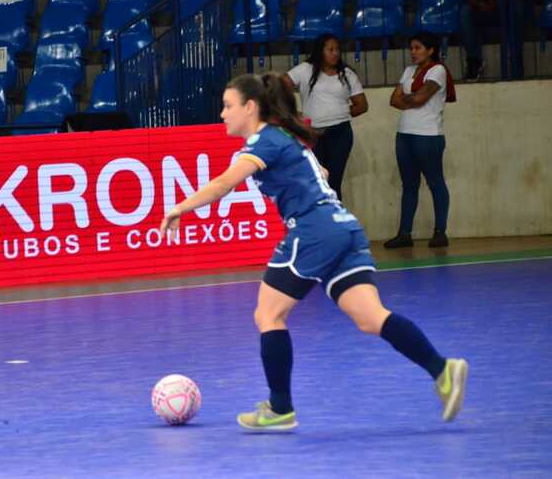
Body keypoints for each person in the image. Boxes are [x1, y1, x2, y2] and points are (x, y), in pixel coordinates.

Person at [160, 72, 468, 431]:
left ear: (250, 107)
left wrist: (180, 207)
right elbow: (319, 170)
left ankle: (280, 409)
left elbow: (224, 183)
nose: (222, 114)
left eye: (228, 106)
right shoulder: (287, 140)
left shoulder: (263, 142)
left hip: (313, 230)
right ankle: (442, 369)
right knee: (371, 318)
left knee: (268, 316)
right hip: (345, 228)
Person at [386, 31, 456, 249]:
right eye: (411, 48)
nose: (413, 52)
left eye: (418, 48)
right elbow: (393, 100)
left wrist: (407, 99)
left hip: (428, 135)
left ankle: (440, 232)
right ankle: (404, 233)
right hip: (404, 133)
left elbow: (419, 98)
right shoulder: (409, 70)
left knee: (435, 182)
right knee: (409, 185)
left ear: (431, 50)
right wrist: (411, 100)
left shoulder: (438, 70)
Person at [283, 34, 368, 200]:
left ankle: (335, 222)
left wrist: (338, 112)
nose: (335, 53)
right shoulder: (305, 69)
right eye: (330, 49)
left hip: (340, 133)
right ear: (319, 51)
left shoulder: (347, 74)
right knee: (315, 181)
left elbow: (362, 105)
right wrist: (292, 112)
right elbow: (278, 87)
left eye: (337, 49)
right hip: (312, 134)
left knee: (334, 182)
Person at [460, 0, 525, 81]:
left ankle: (516, 59)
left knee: (518, 8)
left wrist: (498, 2)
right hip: (483, 7)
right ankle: (474, 62)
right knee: (465, 11)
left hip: (506, 7)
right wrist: (480, 4)